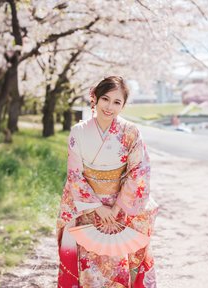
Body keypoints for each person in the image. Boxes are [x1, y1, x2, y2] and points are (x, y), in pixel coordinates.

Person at [56, 76, 159, 287]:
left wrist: (116, 208)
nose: (109, 107)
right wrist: (97, 207)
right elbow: (75, 174)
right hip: (87, 207)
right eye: (105, 99)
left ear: (123, 106)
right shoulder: (79, 131)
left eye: (116, 102)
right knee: (88, 262)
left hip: (120, 206)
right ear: (95, 98)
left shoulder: (130, 132)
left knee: (119, 258)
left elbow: (139, 171)